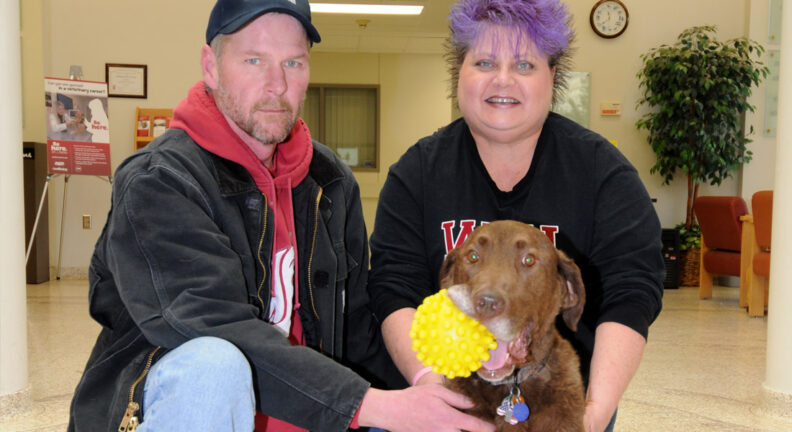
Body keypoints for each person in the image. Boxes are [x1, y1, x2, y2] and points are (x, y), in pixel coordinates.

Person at [67, 1, 495, 431]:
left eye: (293, 62)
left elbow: (358, 333)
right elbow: (209, 324)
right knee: (214, 365)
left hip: (315, 417)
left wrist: (446, 382)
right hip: (184, 409)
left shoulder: (329, 181)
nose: (277, 84)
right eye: (254, 60)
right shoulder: (160, 181)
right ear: (210, 67)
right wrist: (372, 407)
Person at [367, 1, 664, 432]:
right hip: (436, 390)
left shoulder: (604, 173)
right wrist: (438, 395)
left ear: (552, 77)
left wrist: (594, 409)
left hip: (556, 392)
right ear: (459, 73)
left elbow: (632, 291)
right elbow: (393, 288)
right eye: (484, 61)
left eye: (524, 64)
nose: (502, 79)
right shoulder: (417, 173)